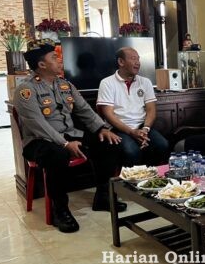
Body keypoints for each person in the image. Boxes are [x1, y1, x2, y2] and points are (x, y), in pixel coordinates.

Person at [14, 41, 126, 234]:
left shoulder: (65, 85)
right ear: (42, 65)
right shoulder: (26, 90)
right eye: (54, 57)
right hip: (39, 141)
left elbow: (84, 110)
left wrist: (102, 128)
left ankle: (102, 196)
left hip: (70, 135)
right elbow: (38, 125)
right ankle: (60, 210)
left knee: (108, 142)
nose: (60, 60)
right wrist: (64, 143)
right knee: (57, 155)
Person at [97, 47, 169, 167]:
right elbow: (108, 114)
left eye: (138, 59)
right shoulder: (107, 83)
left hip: (142, 127)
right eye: (133, 59)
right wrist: (131, 132)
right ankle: (131, 178)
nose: (138, 63)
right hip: (119, 128)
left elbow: (151, 110)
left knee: (162, 145)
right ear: (121, 62)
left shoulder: (145, 82)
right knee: (132, 152)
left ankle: (151, 175)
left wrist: (145, 129)